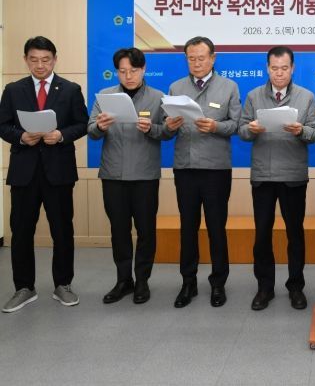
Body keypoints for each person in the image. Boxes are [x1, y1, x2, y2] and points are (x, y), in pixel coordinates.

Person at [0, 36, 88, 313]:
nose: (40, 65)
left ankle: (63, 284)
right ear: (25, 60)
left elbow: (82, 123)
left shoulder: (70, 89)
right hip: (24, 172)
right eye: (34, 60)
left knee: (62, 230)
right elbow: (2, 125)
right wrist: (20, 136)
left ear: (55, 59)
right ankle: (24, 288)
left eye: (45, 60)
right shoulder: (13, 90)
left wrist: (61, 135)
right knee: (21, 231)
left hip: (58, 172)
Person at [88, 47, 173, 304]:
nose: (128, 76)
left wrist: (152, 129)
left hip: (145, 175)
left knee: (146, 231)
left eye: (133, 71)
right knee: (119, 230)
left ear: (143, 69)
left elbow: (168, 131)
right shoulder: (105, 96)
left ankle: (142, 281)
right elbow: (91, 130)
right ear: (117, 72)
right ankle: (124, 280)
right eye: (123, 71)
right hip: (113, 174)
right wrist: (100, 126)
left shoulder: (158, 97)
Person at [239, 46, 315, 311]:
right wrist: (251, 129)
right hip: (263, 175)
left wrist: (301, 130)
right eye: (274, 68)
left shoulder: (306, 96)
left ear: (292, 68)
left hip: (293, 175)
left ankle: (296, 287)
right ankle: (265, 287)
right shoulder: (253, 96)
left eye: (284, 68)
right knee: (262, 234)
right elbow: (241, 130)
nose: (279, 73)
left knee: (295, 234)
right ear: (267, 68)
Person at [165, 36, 241, 308]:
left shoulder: (229, 86)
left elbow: (237, 125)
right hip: (185, 168)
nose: (196, 63)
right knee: (188, 228)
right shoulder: (176, 87)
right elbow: (165, 129)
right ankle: (188, 283)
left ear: (213, 58)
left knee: (216, 228)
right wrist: (170, 126)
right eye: (191, 58)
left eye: (201, 58)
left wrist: (216, 127)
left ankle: (218, 283)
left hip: (215, 169)